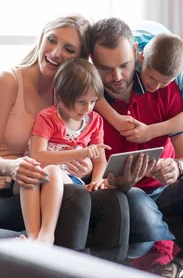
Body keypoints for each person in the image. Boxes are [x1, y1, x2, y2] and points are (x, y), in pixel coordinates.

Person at [0, 14, 128, 260]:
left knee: (113, 201)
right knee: (74, 199)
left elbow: (76, 146)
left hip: (48, 183)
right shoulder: (8, 81)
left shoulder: (67, 95)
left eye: (68, 49)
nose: (55, 52)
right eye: (52, 40)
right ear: (41, 38)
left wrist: (84, 167)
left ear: (81, 59)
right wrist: (13, 167)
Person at [88, 17, 183, 269]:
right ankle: (174, 257)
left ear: (137, 53)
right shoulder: (84, 101)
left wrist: (178, 168)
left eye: (124, 65)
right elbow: (84, 176)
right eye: (105, 69)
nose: (117, 76)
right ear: (91, 62)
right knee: (133, 202)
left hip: (166, 191)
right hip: (125, 196)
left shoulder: (165, 86)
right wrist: (116, 183)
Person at [19, 58, 110, 244]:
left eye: (93, 101)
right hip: (35, 176)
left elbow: (100, 161)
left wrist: (96, 180)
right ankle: (37, 236)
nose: (88, 108)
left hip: (68, 181)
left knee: (54, 172)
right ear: (60, 95)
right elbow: (38, 155)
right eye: (81, 102)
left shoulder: (95, 121)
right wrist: (81, 153)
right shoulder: (48, 118)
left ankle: (44, 236)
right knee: (37, 171)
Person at [96, 20, 183, 144]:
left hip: (165, 41)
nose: (155, 87)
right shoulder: (127, 54)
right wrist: (116, 120)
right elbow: (88, 84)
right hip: (138, 35)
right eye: (151, 77)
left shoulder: (181, 70)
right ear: (140, 58)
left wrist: (150, 131)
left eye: (164, 82)